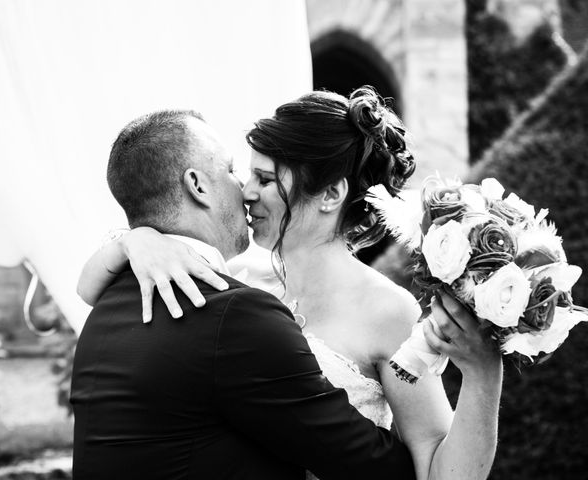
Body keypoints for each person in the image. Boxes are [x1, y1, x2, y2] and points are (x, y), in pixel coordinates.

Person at [78, 87, 503, 480]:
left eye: (264, 179)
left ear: (330, 196)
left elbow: (434, 467)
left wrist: (485, 373)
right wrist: (138, 239)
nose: (245, 192)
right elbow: (90, 290)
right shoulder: (236, 290)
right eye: (245, 175)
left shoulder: (387, 311)